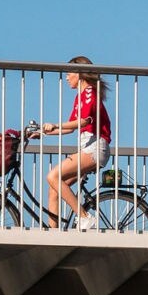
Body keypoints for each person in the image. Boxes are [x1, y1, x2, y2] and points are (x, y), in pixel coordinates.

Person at [32, 56, 111, 230]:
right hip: (88, 147)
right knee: (55, 187)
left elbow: (83, 121)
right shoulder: (79, 97)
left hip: (94, 148)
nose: (67, 77)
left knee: (52, 176)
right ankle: (52, 233)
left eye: (69, 73)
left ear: (80, 73)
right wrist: (44, 132)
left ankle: (84, 216)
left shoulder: (89, 92)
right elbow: (70, 128)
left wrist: (55, 124)